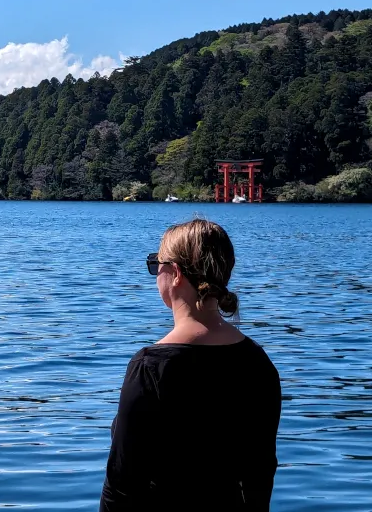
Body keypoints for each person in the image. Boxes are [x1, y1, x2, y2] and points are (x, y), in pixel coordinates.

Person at [99, 218, 281, 511]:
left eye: (156, 263)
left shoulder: (150, 368)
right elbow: (261, 473)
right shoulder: (258, 362)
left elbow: (122, 484)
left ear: (176, 274)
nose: (155, 271)